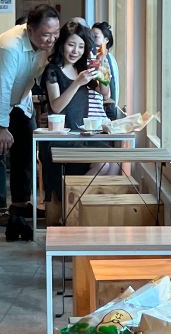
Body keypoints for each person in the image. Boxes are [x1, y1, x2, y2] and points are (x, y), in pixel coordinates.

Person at [0, 4, 60, 229]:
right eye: (46, 34)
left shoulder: (47, 46)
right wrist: (1, 127)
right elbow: (1, 88)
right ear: (30, 29)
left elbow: (38, 79)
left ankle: (20, 203)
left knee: (26, 141)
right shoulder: (9, 47)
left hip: (18, 96)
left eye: (55, 33)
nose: (52, 39)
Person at [39, 20, 123, 219]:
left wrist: (102, 72)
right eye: (71, 45)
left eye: (81, 46)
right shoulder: (53, 70)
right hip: (59, 137)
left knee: (113, 162)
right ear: (62, 44)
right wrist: (77, 83)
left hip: (81, 135)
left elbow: (105, 93)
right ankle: (73, 207)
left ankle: (77, 206)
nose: (75, 51)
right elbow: (56, 106)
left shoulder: (84, 69)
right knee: (104, 164)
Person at [91, 22, 121, 109]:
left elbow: (108, 91)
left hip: (104, 108)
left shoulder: (105, 59)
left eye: (95, 37)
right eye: (90, 37)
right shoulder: (105, 57)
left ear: (106, 40)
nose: (91, 40)